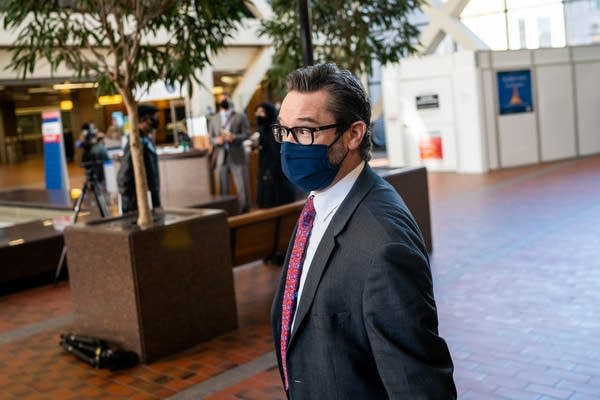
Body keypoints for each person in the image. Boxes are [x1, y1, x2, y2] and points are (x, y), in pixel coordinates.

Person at [270, 63, 456, 399]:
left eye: (305, 131)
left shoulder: (384, 245)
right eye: (283, 130)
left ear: (354, 134)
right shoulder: (321, 202)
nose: (289, 145)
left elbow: (418, 385)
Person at [208, 93, 251, 213]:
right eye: (221, 100)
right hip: (221, 156)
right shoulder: (214, 118)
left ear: (230, 100)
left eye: (225, 99)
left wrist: (234, 137)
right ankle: (225, 211)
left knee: (241, 185)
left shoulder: (239, 116)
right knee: (222, 187)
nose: (223, 101)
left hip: (237, 154)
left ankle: (244, 209)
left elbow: (247, 133)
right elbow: (210, 138)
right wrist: (217, 140)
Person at [117, 104, 161, 213]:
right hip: (136, 204)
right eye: (152, 119)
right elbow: (123, 177)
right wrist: (131, 204)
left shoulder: (147, 140)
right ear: (143, 120)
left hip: (150, 199)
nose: (154, 122)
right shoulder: (135, 144)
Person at [255, 102, 295, 208]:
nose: (258, 115)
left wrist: (270, 171)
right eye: (257, 112)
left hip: (274, 171)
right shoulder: (264, 128)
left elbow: (276, 152)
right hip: (267, 167)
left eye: (261, 112)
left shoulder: (273, 129)